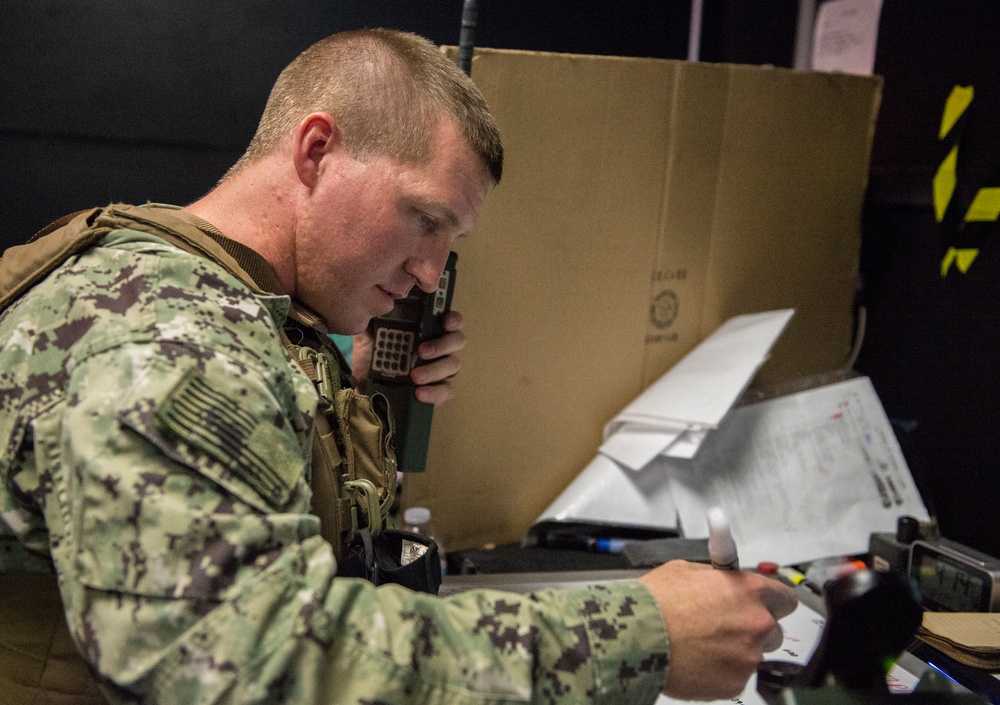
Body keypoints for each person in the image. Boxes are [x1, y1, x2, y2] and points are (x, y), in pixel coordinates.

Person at [0, 28, 797, 704]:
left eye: (449, 242)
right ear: (317, 150)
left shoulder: (235, 305)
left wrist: (354, 391)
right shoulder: (171, 346)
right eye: (423, 219)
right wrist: (641, 634)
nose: (428, 271)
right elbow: (257, 663)